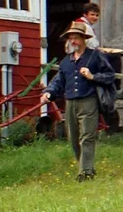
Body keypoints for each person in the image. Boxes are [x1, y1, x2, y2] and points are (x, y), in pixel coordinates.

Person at [42, 21, 117, 180]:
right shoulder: (66, 62)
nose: (73, 41)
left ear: (84, 39)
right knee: (74, 139)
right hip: (70, 103)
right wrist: (49, 92)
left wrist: (93, 76)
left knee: (87, 137)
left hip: (88, 101)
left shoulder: (96, 56)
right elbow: (58, 81)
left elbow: (110, 76)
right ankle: (87, 167)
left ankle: (85, 173)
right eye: (71, 38)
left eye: (76, 38)